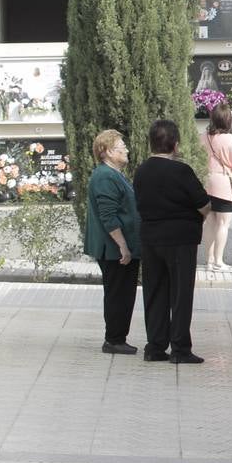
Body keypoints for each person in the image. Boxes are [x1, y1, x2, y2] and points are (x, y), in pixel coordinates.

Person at [134, 119, 212, 364]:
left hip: (150, 239)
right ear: (175, 145)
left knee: (155, 292)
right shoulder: (181, 171)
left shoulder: (141, 170)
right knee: (180, 294)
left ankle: (155, 346)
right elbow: (204, 204)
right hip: (180, 240)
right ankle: (180, 348)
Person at [83, 129, 141, 355]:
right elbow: (108, 215)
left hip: (117, 248)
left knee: (123, 293)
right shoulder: (105, 176)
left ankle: (117, 337)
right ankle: (114, 339)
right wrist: (123, 246)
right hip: (114, 250)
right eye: (121, 147)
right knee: (119, 294)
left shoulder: (113, 174)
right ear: (106, 152)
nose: (126, 149)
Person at [199, 101, 232, 273]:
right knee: (223, 224)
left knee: (210, 222)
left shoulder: (203, 137)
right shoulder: (229, 138)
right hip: (223, 183)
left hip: (206, 182)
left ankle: (209, 261)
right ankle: (219, 261)